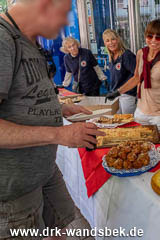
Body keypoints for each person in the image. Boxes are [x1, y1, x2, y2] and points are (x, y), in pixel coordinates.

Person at [0, 0, 105, 239]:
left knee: (62, 229)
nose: (66, 23)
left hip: (44, 171)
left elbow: (25, 98)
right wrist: (58, 134)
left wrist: (58, 108)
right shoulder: (3, 41)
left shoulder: (28, 42)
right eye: (63, 13)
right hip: (14, 191)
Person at [106, 19, 160, 133]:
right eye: (150, 36)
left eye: (158, 37)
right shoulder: (140, 53)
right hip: (141, 111)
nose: (153, 41)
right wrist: (117, 92)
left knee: (156, 147)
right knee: (140, 146)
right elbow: (136, 78)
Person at [102, 29, 136, 114]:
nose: (111, 43)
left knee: (129, 122)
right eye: (107, 41)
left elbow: (138, 76)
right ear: (105, 43)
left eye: (113, 39)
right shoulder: (111, 57)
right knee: (118, 121)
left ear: (118, 39)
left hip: (127, 95)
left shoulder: (126, 55)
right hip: (115, 95)